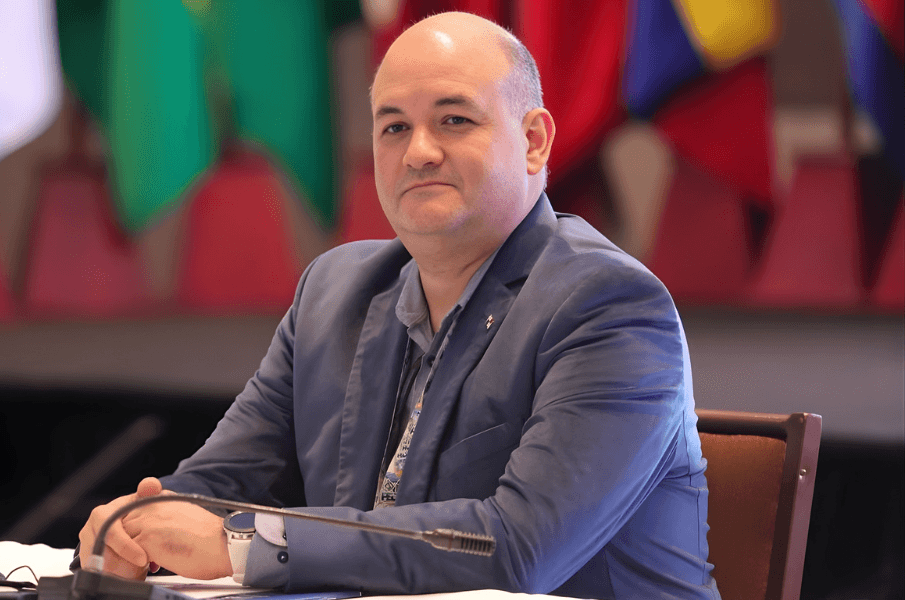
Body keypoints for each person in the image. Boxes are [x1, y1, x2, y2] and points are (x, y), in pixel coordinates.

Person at [79, 11, 720, 599]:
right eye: (394, 127)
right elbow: (217, 488)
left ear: (534, 141)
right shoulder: (333, 291)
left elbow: (517, 548)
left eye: (454, 120)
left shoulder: (610, 307)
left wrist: (240, 545)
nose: (418, 152)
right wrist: (140, 526)